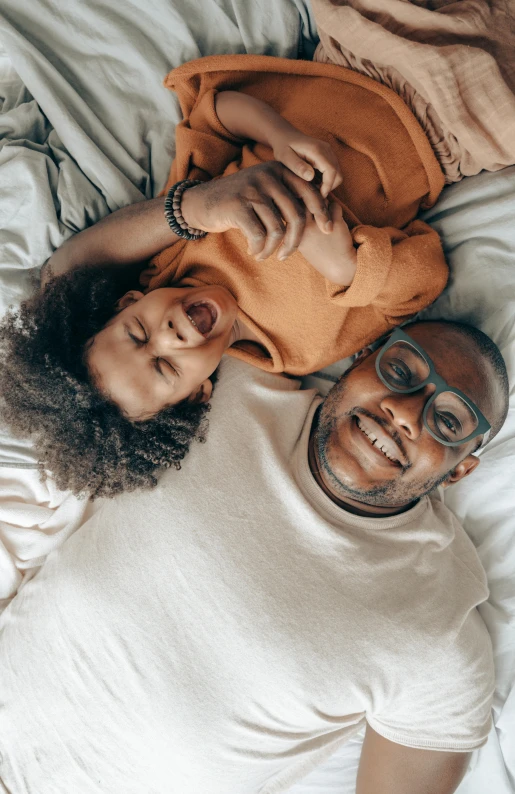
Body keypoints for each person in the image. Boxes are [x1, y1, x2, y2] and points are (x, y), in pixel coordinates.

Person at [0, 317, 509, 794]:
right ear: (360, 357)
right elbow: (63, 292)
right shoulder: (228, 382)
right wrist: (189, 215)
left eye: (447, 420)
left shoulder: (438, 631)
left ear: (460, 470)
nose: (404, 411)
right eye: (399, 371)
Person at [0, 55, 448, 497]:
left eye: (138, 333)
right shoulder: (300, 349)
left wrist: (279, 133)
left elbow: (214, 115)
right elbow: (420, 286)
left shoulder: (175, 252)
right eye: (165, 366)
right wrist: (348, 267)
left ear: (128, 300)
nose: (171, 336)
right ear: (198, 394)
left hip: (349, 62)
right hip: (442, 132)